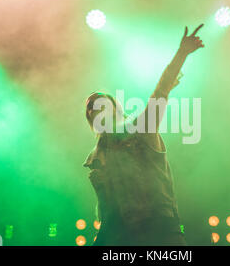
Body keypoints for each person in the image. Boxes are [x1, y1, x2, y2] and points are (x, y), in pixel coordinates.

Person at [83, 24, 205, 245]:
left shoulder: (140, 128)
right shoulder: (96, 156)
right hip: (119, 235)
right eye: (91, 107)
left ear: (115, 109)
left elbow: (160, 92)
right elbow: (106, 208)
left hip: (159, 231)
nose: (94, 108)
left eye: (100, 103)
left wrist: (181, 53)